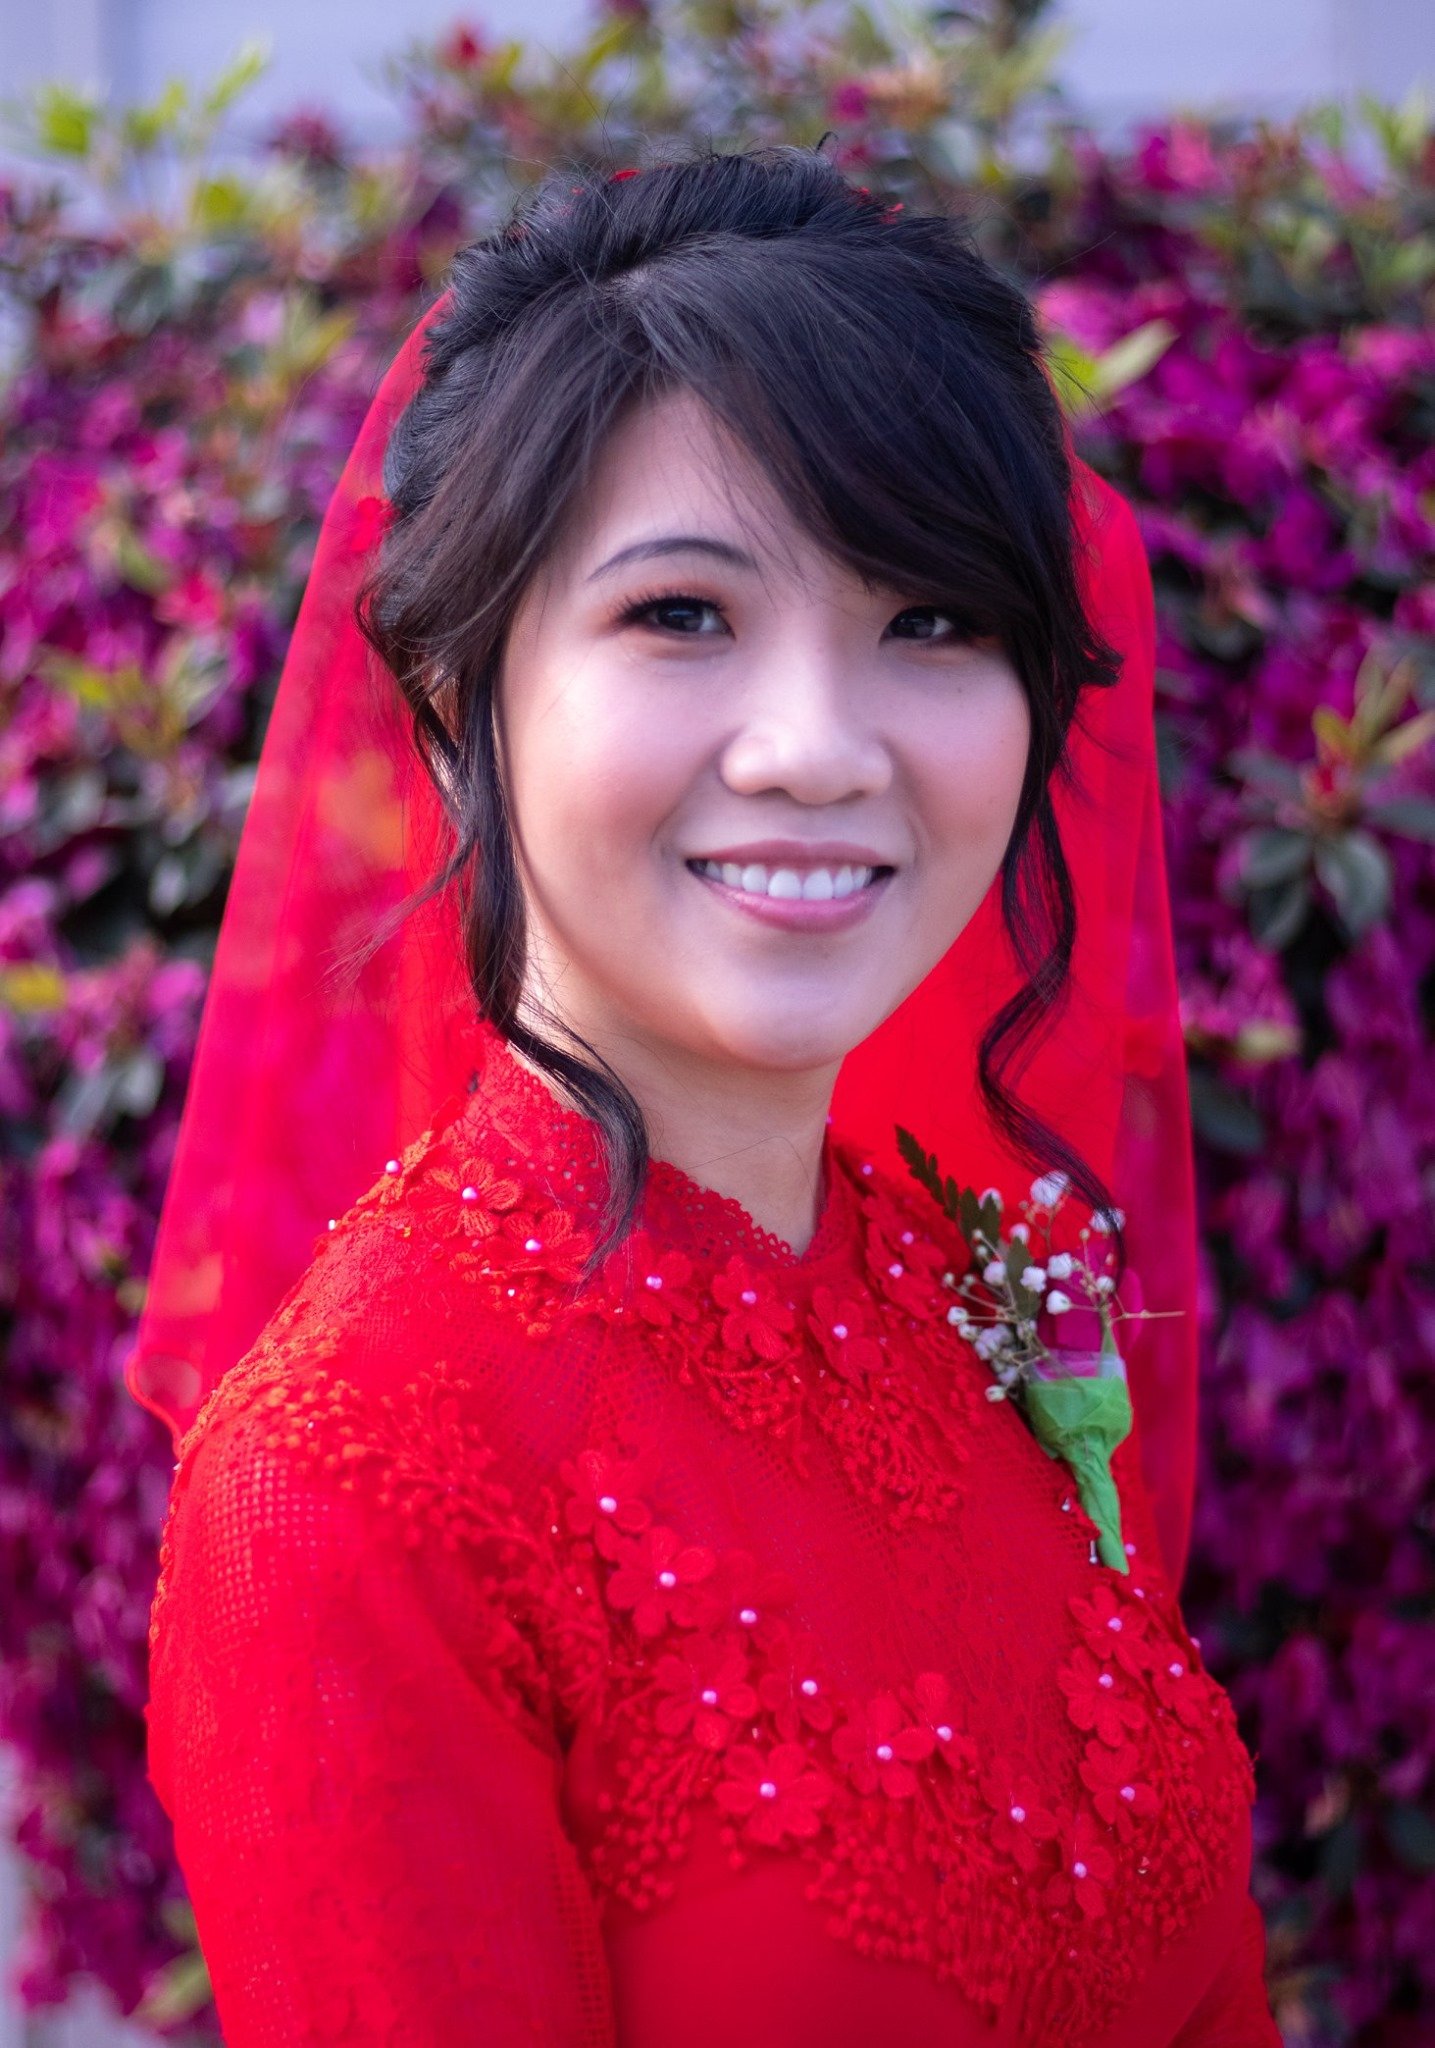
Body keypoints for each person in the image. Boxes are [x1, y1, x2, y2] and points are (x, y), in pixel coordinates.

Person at [132, 147, 1281, 2045]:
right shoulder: (355, 1484)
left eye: (931, 623)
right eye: (682, 613)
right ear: (451, 694)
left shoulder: (961, 1299)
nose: (819, 749)